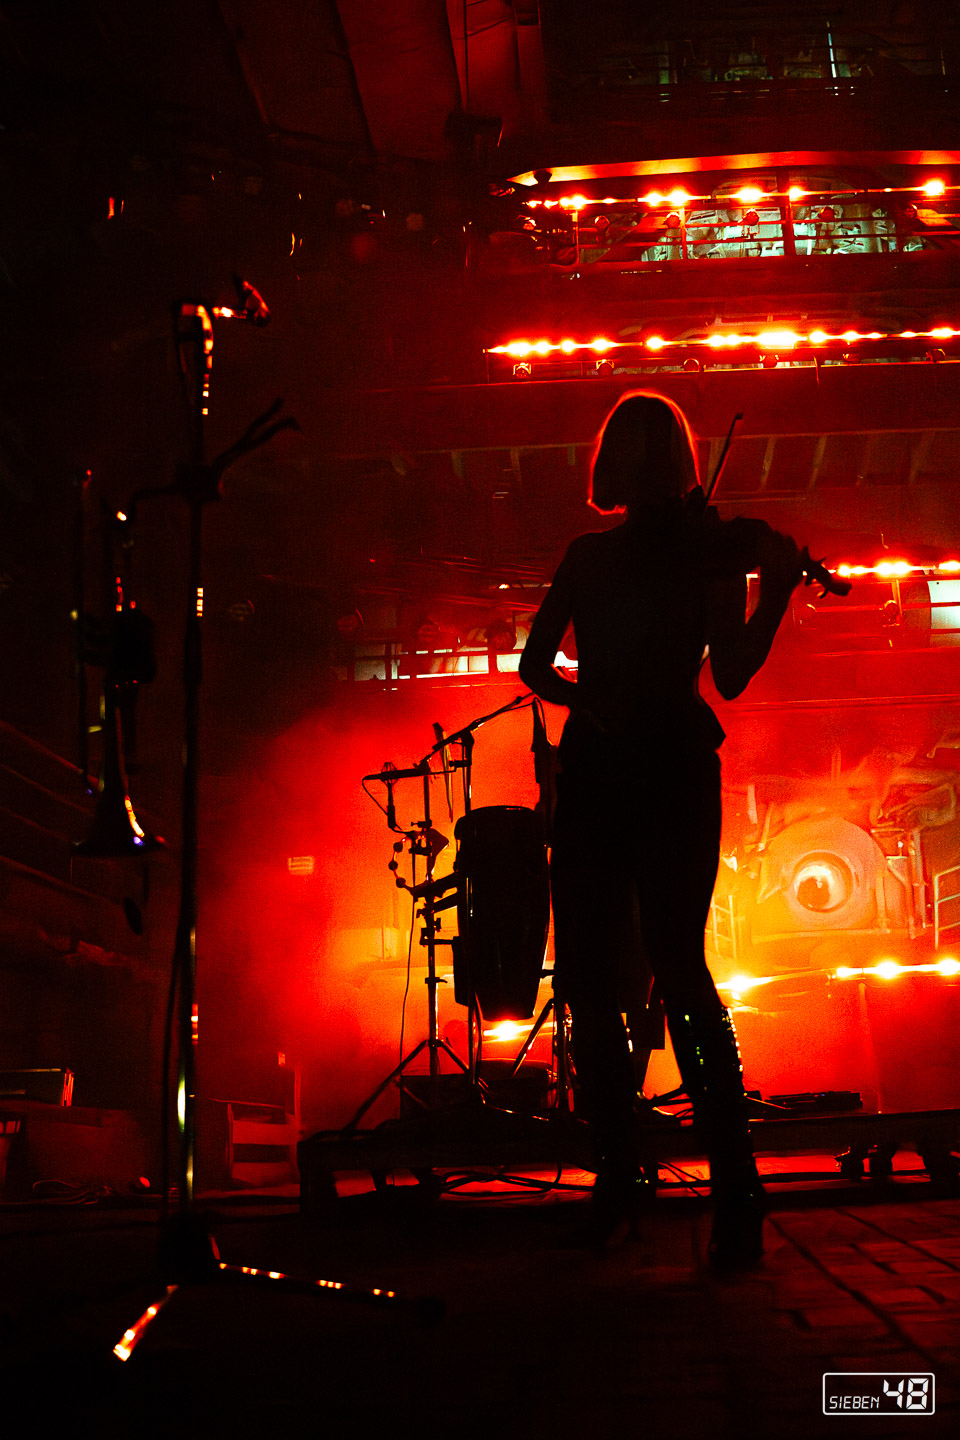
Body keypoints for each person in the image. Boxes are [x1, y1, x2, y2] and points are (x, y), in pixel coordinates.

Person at [518, 393, 802, 1267]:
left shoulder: (591, 556)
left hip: (603, 768)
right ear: (685, 464)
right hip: (671, 764)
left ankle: (618, 1185)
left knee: (592, 983)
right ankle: (736, 1197)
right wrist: (777, 588)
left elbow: (534, 666)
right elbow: (736, 675)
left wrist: (586, 697)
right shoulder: (705, 555)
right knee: (680, 974)